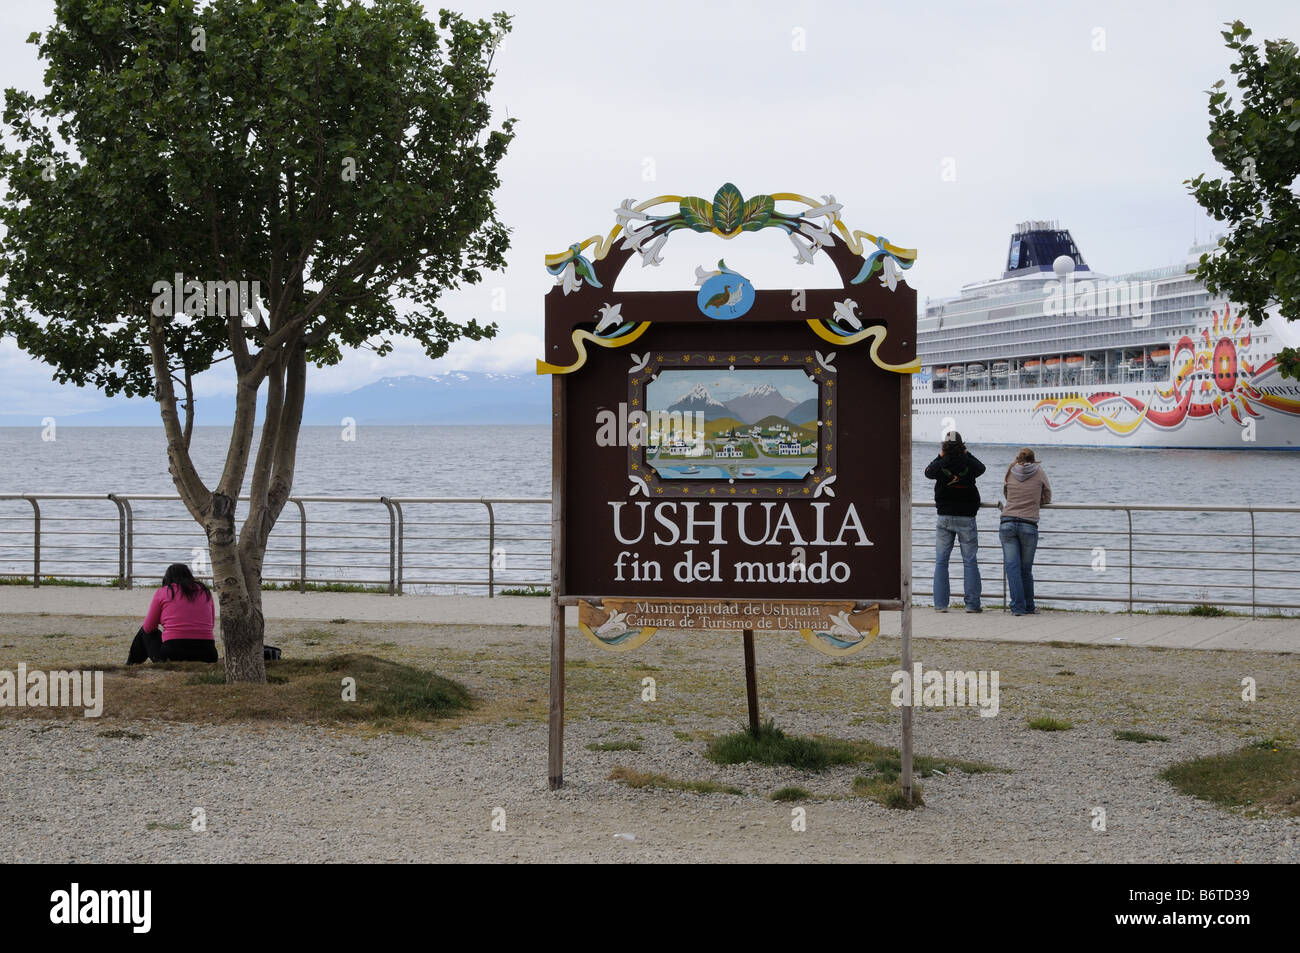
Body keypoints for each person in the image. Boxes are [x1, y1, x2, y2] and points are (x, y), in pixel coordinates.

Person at [924, 431, 986, 613]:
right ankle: (972, 605)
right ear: (962, 445)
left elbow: (928, 472)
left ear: (944, 447)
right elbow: (982, 468)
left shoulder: (941, 463)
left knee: (941, 561)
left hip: (944, 517)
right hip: (967, 516)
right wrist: (966, 453)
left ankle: (941, 605)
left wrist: (940, 455)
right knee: (970, 561)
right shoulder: (968, 462)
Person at [126, 563, 219, 664]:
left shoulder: (163, 592)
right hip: (208, 654)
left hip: (173, 655)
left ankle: (130, 665)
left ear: (167, 578)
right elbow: (211, 625)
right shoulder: (205, 592)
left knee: (145, 632)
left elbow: (148, 627)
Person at [1000, 448, 1052, 616]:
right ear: (1034, 458)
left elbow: (1006, 493)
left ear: (1018, 458)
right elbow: (1048, 495)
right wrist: (1037, 501)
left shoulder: (1010, 469)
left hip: (1007, 522)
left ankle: (1017, 607)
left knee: (1012, 567)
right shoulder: (1039, 471)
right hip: (1029, 524)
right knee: (1025, 569)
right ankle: (1029, 606)